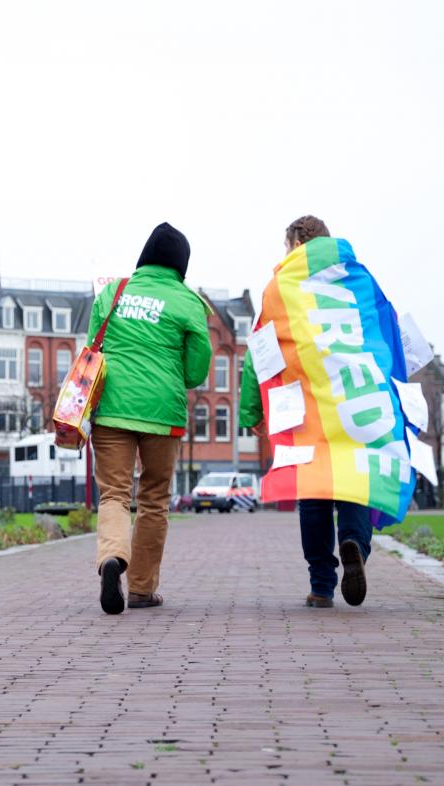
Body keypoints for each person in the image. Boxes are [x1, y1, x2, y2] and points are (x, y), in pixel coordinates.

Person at [240, 215, 414, 609]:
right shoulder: (362, 280)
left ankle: (321, 585)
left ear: (297, 241)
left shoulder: (280, 287)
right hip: (358, 402)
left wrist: (252, 412)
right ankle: (355, 545)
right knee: (353, 483)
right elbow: (387, 328)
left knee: (314, 494)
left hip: (307, 412)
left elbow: (261, 354)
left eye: (287, 246)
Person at [88, 222, 212, 615]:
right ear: (182, 266)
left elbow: (95, 346)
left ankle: (112, 558)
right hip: (163, 413)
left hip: (111, 408)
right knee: (154, 499)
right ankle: (141, 589)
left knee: (114, 495)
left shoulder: (114, 290)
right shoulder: (189, 302)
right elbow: (196, 371)